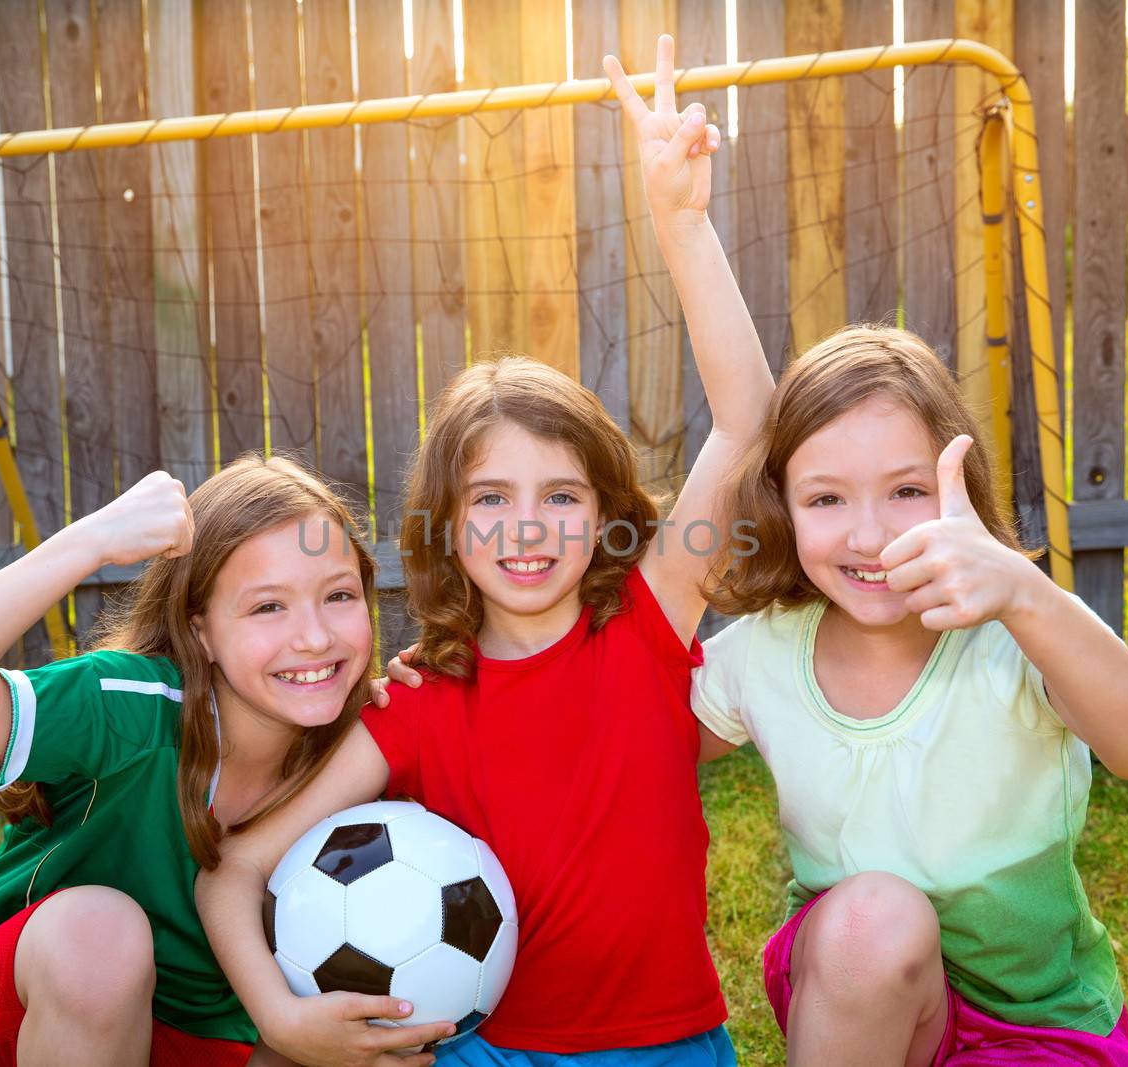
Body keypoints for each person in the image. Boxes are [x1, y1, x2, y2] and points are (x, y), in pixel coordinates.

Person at [196, 34, 775, 1066]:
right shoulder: (412, 704)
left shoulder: (646, 617)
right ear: (446, 525)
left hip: (669, 1046)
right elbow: (233, 872)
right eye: (491, 497)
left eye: (560, 495)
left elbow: (744, 423)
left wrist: (679, 223)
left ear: (604, 515)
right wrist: (285, 1020)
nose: (525, 527)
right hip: (481, 1050)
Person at [0, 456, 454, 1067]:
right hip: (11, 1008)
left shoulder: (358, 748)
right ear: (200, 631)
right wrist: (89, 542)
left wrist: (432, 700)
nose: (313, 637)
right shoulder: (131, 706)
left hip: (196, 1033)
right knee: (100, 933)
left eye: (338, 595)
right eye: (267, 607)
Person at [690, 325, 1128, 1066]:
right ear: (782, 506)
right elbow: (636, 742)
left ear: (962, 488)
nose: (870, 534)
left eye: (907, 490)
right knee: (874, 916)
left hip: (1040, 1015)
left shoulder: (1015, 636)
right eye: (826, 498)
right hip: (857, 989)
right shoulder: (766, 649)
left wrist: (1026, 595)